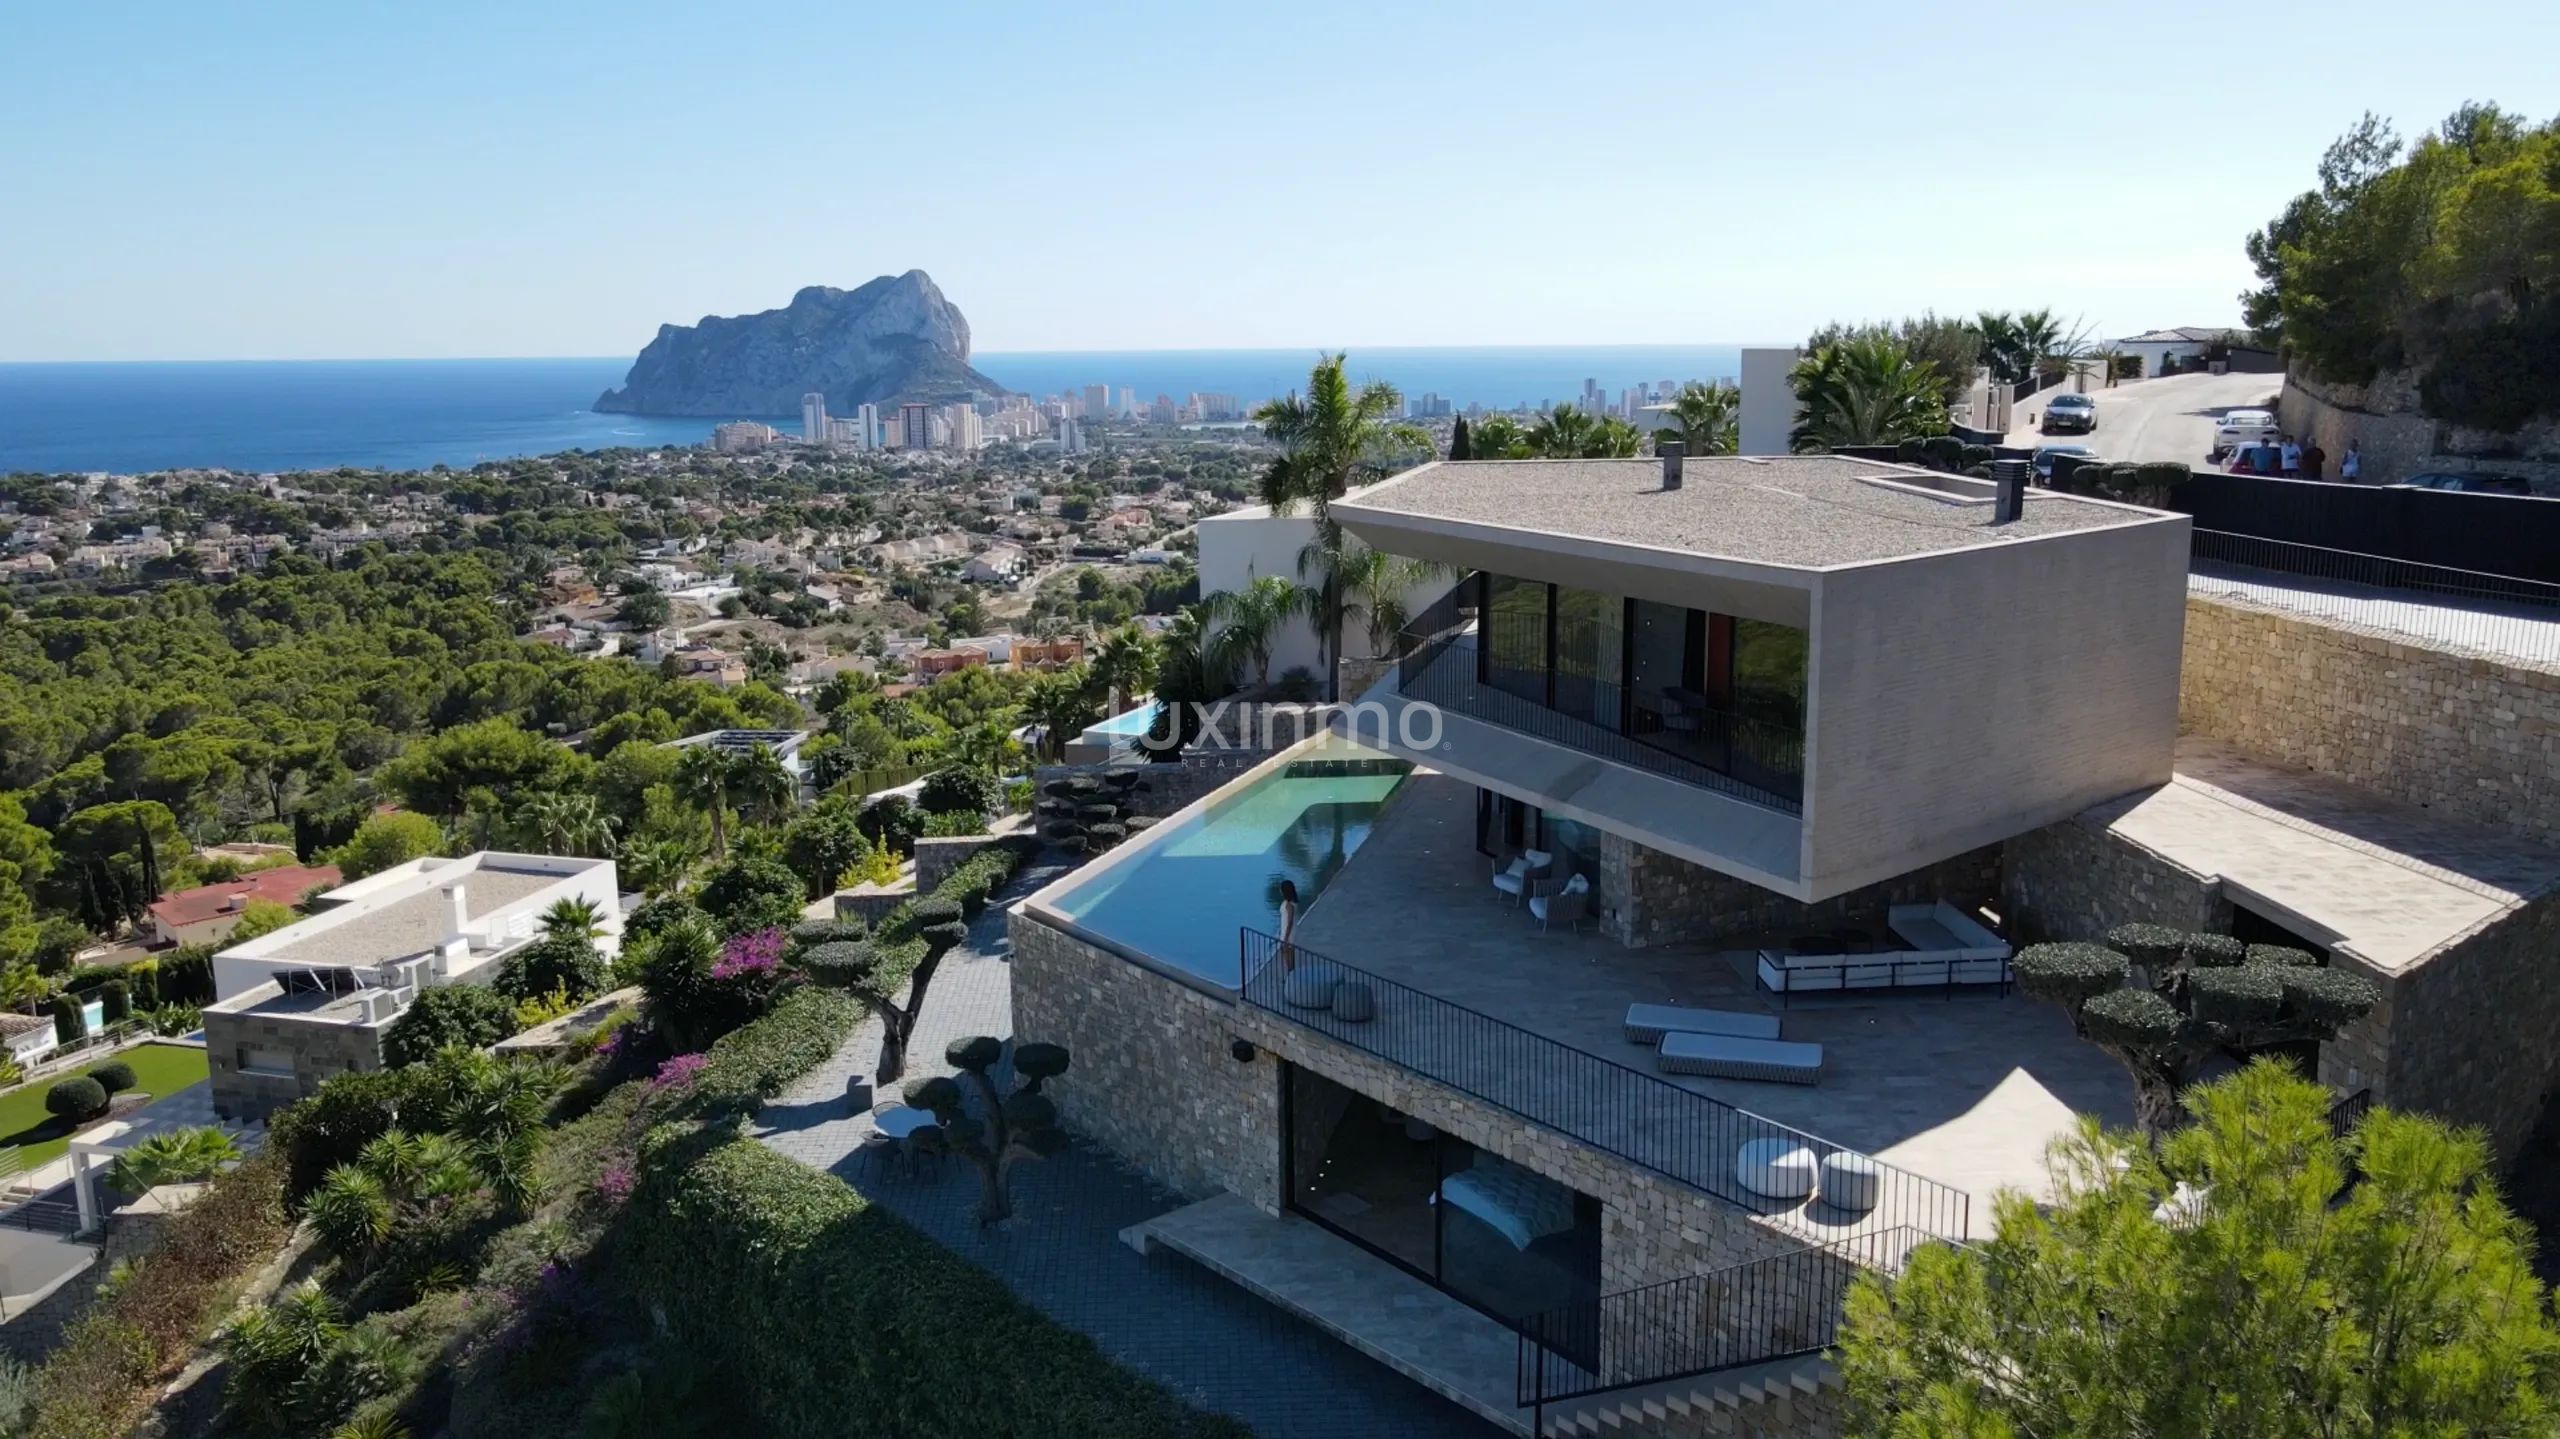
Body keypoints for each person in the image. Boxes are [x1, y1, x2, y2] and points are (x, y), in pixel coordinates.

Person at [1275, 878, 1300, 972]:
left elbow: (1289, 922)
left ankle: (1291, 974)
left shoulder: (1289, 905)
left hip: (1288, 933)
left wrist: (1285, 938)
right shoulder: (1292, 902)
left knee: (1287, 954)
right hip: (1287, 931)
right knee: (1289, 954)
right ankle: (1291, 973)